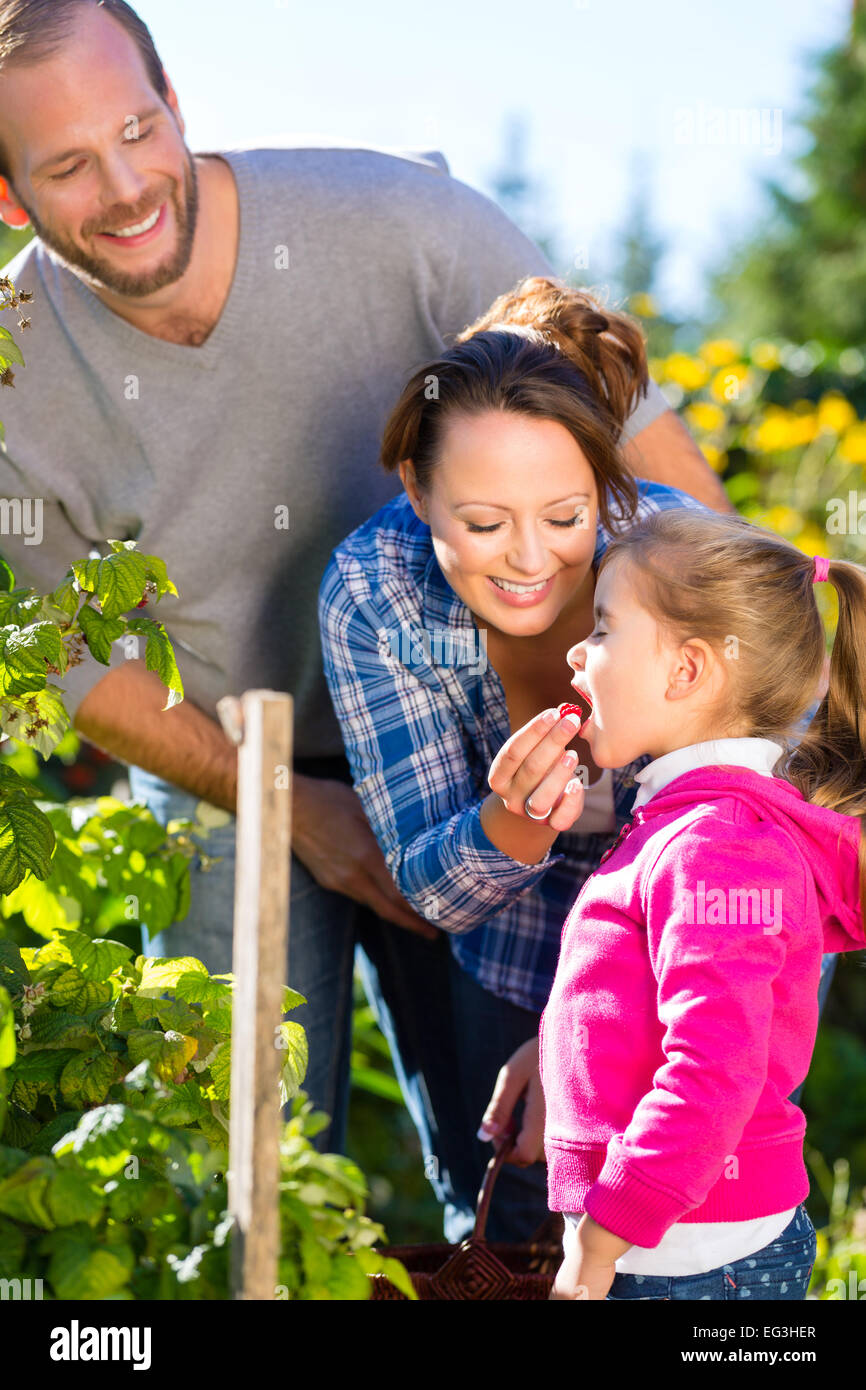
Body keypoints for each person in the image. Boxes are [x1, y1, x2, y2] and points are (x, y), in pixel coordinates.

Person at [0, 0, 731, 1165]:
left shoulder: (395, 218)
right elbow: (64, 662)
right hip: (217, 753)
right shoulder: (12, 375)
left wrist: (743, 687)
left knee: (516, 1144)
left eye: (140, 130)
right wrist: (290, 804)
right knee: (238, 1164)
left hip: (475, 729)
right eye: (70, 167)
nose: (130, 186)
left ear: (176, 104)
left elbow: (625, 428)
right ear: (10, 197)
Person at [320, 274, 834, 1242]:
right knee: (515, 1211)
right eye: (480, 524)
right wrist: (508, 824)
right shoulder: (374, 590)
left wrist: (588, 1041)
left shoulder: (682, 560)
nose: (526, 561)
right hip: (509, 944)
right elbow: (429, 883)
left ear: (604, 486)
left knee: (697, 1206)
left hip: (708, 950)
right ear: (415, 489)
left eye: (564, 518)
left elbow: (756, 863)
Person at [536, 508, 865, 1300]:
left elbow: (715, 1068)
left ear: (686, 671)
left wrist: (600, 1240)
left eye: (606, 629)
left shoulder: (718, 844)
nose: (578, 653)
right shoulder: (687, 824)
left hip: (689, 1261)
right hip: (673, 1246)